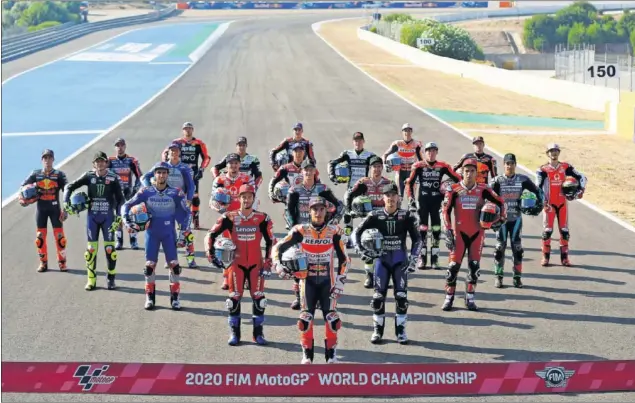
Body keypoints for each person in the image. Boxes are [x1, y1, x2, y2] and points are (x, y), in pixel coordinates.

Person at [273, 196, 349, 364]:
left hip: (327, 282)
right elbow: (278, 247)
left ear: (326, 211)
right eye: (315, 209)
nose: (318, 212)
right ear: (309, 211)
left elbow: (345, 259)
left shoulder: (334, 231)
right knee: (305, 319)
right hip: (307, 282)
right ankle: (307, 356)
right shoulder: (301, 230)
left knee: (332, 319)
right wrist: (278, 265)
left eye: (322, 209)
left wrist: (340, 283)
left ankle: (331, 355)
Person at [205, 184, 275, 346]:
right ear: (239, 198)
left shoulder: (262, 218)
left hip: (256, 264)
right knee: (234, 299)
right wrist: (211, 254)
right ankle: (234, 334)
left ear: (253, 198)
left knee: (259, 298)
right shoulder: (229, 217)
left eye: (249, 196)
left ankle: (258, 334)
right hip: (235, 264)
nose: (246, 199)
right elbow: (211, 234)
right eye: (243, 196)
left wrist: (268, 261)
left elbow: (271, 241)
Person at [354, 183, 421, 345]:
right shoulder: (375, 215)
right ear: (383, 198)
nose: (390, 198)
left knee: (401, 298)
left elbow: (418, 239)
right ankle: (378, 331)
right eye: (387, 195)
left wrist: (413, 258)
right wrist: (363, 252)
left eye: (393, 195)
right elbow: (356, 233)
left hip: (400, 262)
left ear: (398, 198)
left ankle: (401, 332)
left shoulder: (406, 216)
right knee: (378, 298)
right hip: (381, 262)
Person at [122, 162, 192, 310]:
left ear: (167, 174)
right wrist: (127, 222)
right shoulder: (145, 192)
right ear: (154, 174)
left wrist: (183, 233)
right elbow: (126, 205)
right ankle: (150, 298)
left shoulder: (176, 192)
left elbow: (187, 213)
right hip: (151, 234)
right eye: (158, 172)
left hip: (169, 234)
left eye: (164, 172)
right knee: (149, 267)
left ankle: (175, 299)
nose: (161, 175)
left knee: (174, 266)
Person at [441, 159, 507, 311]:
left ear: (476, 173)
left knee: (474, 268)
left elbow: (502, 202)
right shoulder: (454, 189)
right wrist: (448, 229)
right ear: (462, 172)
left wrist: (501, 218)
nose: (469, 174)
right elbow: (445, 211)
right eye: (466, 171)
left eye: (472, 171)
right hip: (459, 234)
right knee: (452, 269)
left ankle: (470, 298)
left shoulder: (484, 189)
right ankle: (448, 298)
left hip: (477, 234)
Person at [286, 160, 344, 310]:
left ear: (315, 171)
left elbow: (339, 205)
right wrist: (294, 229)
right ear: (302, 172)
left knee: (320, 263)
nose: (308, 172)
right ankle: (299, 297)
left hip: (320, 232)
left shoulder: (322, 188)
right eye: (306, 170)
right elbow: (289, 211)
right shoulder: (295, 189)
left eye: (311, 169)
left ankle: (320, 296)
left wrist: (332, 221)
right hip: (302, 232)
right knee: (298, 263)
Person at [64, 152, 125, 291]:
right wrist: (66, 202)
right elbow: (69, 187)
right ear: (93, 164)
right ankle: (91, 280)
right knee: (91, 250)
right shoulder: (89, 176)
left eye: (102, 161)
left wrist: (119, 216)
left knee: (110, 250)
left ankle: (111, 279)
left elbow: (121, 199)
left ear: (106, 163)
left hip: (108, 218)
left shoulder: (113, 178)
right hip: (92, 218)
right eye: (97, 161)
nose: (100, 164)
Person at [405, 142, 462, 271]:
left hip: (437, 203)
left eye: (433, 151)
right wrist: (411, 200)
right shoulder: (418, 166)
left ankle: (435, 258)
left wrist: (449, 189)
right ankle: (422, 258)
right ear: (425, 153)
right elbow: (409, 183)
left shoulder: (443, 166)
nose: (431, 154)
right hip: (423, 203)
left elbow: (459, 179)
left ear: (437, 152)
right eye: (428, 151)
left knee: (436, 228)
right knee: (423, 229)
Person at [491, 153, 543, 288]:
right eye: (507, 163)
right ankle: (499, 276)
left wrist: (540, 204)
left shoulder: (522, 179)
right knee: (499, 249)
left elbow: (538, 192)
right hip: (501, 220)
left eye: (512, 163)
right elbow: (486, 196)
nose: (510, 166)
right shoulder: (497, 180)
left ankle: (517, 277)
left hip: (516, 219)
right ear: (504, 165)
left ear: (515, 164)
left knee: (518, 249)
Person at [344, 156, 395, 288]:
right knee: (369, 246)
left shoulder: (388, 182)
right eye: (374, 167)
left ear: (382, 168)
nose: (377, 169)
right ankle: (369, 276)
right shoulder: (363, 182)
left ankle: (382, 276)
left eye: (379, 167)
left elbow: (396, 200)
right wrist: (350, 211)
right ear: (370, 168)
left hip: (384, 219)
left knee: (385, 248)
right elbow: (350, 195)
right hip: (368, 219)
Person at [144, 142, 196, 268]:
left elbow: (191, 185)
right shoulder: (161, 166)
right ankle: (171, 259)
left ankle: (190, 257)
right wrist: (150, 189)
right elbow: (145, 177)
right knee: (169, 231)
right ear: (168, 152)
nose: (173, 152)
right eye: (171, 150)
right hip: (165, 203)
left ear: (179, 152)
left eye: (176, 150)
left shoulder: (184, 167)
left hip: (180, 203)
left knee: (186, 230)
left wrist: (189, 199)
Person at [535, 143, 587, 267]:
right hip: (549, 205)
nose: (554, 153)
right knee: (547, 231)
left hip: (562, 204)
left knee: (564, 231)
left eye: (556, 151)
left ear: (559, 153)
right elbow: (537, 188)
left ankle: (565, 258)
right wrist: (542, 202)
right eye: (551, 151)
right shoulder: (542, 170)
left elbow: (582, 177)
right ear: (547, 153)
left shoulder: (565, 166)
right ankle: (545, 257)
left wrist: (580, 191)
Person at [210, 153, 256, 290]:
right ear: (227, 165)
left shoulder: (247, 178)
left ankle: (246, 278)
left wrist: (251, 214)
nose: (234, 166)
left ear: (239, 165)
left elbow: (254, 197)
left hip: (244, 218)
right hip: (227, 218)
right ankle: (226, 278)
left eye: (236, 163)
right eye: (231, 163)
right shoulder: (220, 179)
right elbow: (212, 200)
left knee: (245, 249)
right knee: (226, 248)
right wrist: (220, 209)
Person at [18, 149, 69, 272]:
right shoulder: (35, 174)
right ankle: (43, 263)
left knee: (60, 238)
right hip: (41, 210)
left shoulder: (59, 175)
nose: (47, 160)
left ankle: (62, 263)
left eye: (49, 158)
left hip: (55, 210)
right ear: (42, 160)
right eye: (45, 158)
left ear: (53, 159)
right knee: (40, 238)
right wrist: (22, 199)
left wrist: (66, 209)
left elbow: (68, 190)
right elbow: (22, 187)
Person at [328, 132, 376, 248]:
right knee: (348, 215)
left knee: (367, 216)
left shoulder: (369, 155)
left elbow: (378, 164)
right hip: (351, 190)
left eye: (360, 140)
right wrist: (333, 176)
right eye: (355, 140)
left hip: (364, 191)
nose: (358, 142)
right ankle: (348, 239)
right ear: (353, 142)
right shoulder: (347, 154)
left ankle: (365, 239)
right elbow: (332, 163)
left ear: (363, 141)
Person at [163, 122, 211, 230]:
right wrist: (166, 166)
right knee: (177, 196)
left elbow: (206, 158)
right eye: (185, 128)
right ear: (182, 130)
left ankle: (195, 218)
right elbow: (165, 153)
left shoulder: (198, 143)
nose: (187, 130)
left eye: (189, 128)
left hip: (193, 173)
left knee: (194, 197)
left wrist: (201, 170)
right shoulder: (176, 142)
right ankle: (180, 219)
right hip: (178, 173)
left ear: (192, 130)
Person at [108, 138, 143, 250]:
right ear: (115, 147)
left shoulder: (131, 160)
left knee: (131, 216)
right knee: (118, 217)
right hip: (116, 194)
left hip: (129, 193)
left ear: (125, 146)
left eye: (122, 145)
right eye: (117, 145)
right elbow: (105, 176)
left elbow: (139, 176)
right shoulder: (110, 160)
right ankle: (119, 240)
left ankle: (133, 240)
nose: (120, 147)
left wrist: (134, 190)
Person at [381, 123, 424, 197]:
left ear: (411, 132)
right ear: (402, 132)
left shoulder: (417, 144)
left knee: (411, 195)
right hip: (400, 172)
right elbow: (385, 155)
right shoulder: (397, 144)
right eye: (405, 131)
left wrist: (421, 172)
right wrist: (385, 165)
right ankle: (398, 206)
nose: (407, 133)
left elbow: (422, 160)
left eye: (409, 131)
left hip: (412, 173)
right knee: (398, 195)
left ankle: (411, 206)